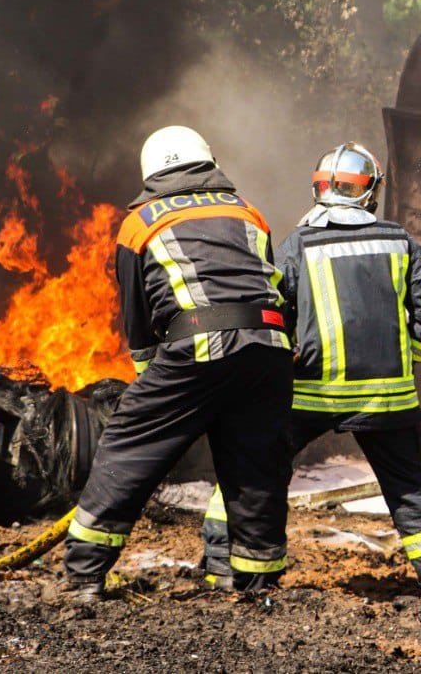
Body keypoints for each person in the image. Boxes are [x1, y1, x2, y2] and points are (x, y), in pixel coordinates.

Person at [201, 142, 421, 602]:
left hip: (310, 395)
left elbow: (272, 314)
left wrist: (282, 363)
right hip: (387, 399)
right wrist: (410, 358)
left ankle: (231, 573)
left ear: (319, 189)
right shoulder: (398, 240)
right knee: (411, 491)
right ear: (370, 191)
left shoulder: (297, 246)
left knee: (253, 468)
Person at [61, 126, 293, 601]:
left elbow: (137, 316)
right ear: (207, 162)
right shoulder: (247, 211)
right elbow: (265, 284)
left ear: (151, 173)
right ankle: (254, 582)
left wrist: (152, 383)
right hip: (270, 345)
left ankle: (82, 576)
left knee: (128, 444)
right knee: (254, 463)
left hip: (199, 342)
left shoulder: (140, 222)